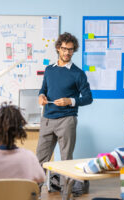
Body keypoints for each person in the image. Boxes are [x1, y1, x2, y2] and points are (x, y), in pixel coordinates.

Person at [37, 32, 93, 194]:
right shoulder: (49, 70)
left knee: (66, 160)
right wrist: (40, 96)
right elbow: (43, 90)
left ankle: (65, 194)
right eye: (64, 49)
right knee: (40, 159)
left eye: (70, 50)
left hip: (67, 120)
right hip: (47, 119)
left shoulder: (78, 73)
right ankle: (33, 192)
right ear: (58, 49)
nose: (67, 52)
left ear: (73, 51)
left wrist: (71, 101)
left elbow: (89, 98)